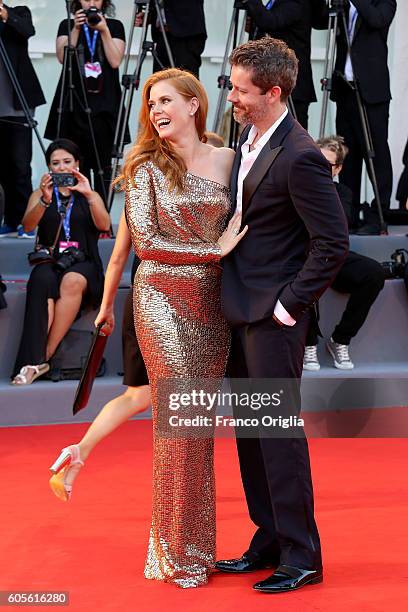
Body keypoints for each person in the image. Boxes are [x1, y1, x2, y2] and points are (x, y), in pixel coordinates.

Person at [49, 67, 244, 588]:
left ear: (192, 104)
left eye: (164, 101)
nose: (155, 111)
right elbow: (148, 247)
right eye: (149, 103)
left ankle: (197, 547)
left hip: (212, 306)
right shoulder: (142, 168)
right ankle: (172, 551)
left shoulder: (229, 160)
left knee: (196, 428)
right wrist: (212, 251)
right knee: (176, 421)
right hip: (161, 301)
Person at [217, 38, 349, 593]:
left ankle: (303, 553)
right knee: (252, 432)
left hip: (272, 317)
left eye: (241, 90)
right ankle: (268, 537)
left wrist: (288, 305)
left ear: (274, 92)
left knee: (278, 435)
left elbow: (333, 242)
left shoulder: (299, 155)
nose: (232, 97)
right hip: (239, 307)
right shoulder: (246, 140)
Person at [49, 213, 151, 501]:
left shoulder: (135, 191)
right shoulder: (194, 185)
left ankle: (79, 449)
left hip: (139, 300)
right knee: (183, 396)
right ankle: (182, 482)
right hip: (179, 302)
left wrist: (107, 308)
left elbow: (118, 258)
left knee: (138, 396)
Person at [11, 138, 110, 385]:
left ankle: (41, 357)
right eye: (56, 163)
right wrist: (45, 200)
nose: (62, 167)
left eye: (67, 161)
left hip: (84, 262)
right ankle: (35, 363)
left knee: (72, 281)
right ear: (49, 167)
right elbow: (27, 225)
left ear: (77, 163)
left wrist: (88, 194)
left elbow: (105, 225)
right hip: (51, 260)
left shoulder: (90, 193)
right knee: (41, 279)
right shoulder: (40, 193)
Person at [303, 135, 385, 371]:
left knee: (374, 273)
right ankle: (309, 344)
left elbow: (341, 224)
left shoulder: (342, 192)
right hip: (304, 256)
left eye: (326, 165)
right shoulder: (296, 186)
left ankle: (340, 339)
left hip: (333, 257)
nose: (319, 169)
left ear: (337, 169)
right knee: (296, 268)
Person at [322, 0, 396, 234]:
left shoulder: (384, 2)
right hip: (346, 89)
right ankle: (349, 214)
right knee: (348, 155)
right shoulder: (345, 5)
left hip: (371, 91)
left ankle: (378, 215)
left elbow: (377, 20)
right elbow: (322, 21)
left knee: (375, 154)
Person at [44, 0, 126, 202]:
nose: (91, 3)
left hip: (104, 104)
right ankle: (67, 213)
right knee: (67, 159)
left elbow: (115, 60)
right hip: (73, 101)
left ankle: (103, 217)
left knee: (103, 163)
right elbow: (63, 57)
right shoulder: (67, 25)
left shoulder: (115, 26)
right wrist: (76, 29)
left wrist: (104, 30)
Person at [243, 0, 328, 130]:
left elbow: (270, 21)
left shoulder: (297, 3)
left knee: (293, 136)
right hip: (272, 80)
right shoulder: (276, 2)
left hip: (291, 84)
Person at [0, 2, 46, 238]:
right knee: (2, 169)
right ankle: (8, 219)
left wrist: (5, 14)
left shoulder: (19, 12)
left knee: (19, 165)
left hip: (17, 105)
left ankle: (23, 221)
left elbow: (27, 30)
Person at [149, 0, 207, 78]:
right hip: (163, 33)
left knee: (184, 82)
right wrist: (150, 16)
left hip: (186, 32)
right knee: (160, 81)